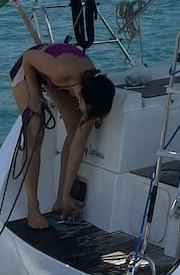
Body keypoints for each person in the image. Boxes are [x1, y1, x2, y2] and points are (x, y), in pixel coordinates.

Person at [9, 42, 116, 229]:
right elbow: (28, 58)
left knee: (76, 130)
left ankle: (61, 200)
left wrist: (67, 195)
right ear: (82, 98)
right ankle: (32, 208)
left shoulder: (94, 95)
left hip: (54, 80)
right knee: (35, 130)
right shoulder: (62, 71)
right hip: (30, 67)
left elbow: (78, 146)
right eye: (89, 113)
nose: (88, 117)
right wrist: (34, 95)